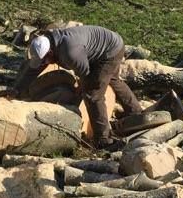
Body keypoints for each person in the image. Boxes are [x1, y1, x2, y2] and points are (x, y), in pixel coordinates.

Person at [12, 25, 141, 149]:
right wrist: (16, 90)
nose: (44, 63)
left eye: (45, 60)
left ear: (50, 52)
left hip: (110, 51)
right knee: (112, 79)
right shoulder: (47, 43)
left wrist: (82, 87)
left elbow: (85, 73)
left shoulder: (69, 52)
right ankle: (136, 112)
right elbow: (32, 70)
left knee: (93, 94)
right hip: (100, 46)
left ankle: (103, 139)